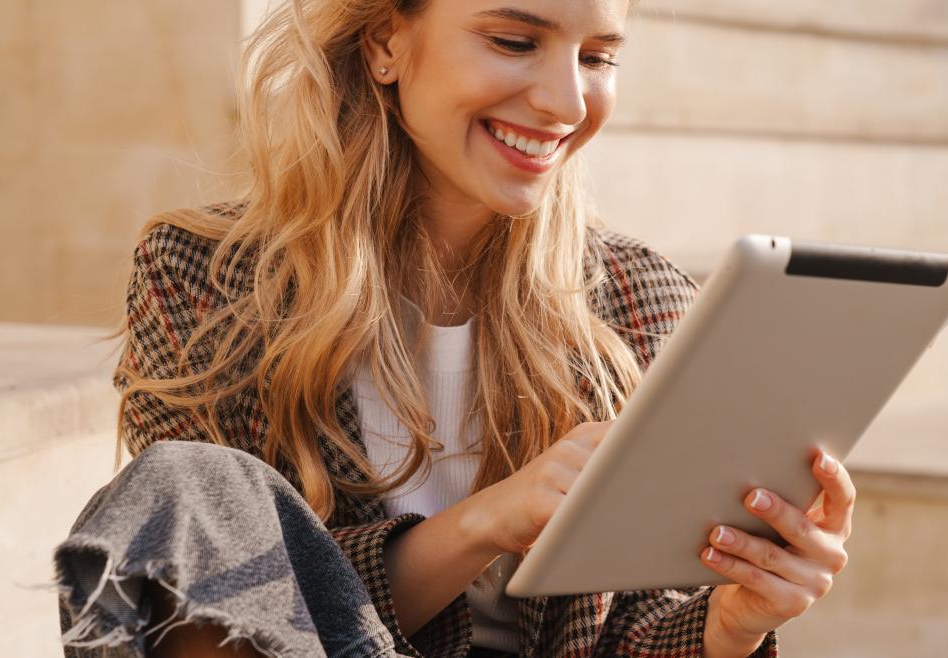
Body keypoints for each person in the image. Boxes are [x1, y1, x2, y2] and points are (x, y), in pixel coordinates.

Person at [54, 1, 855, 656]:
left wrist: (728, 627)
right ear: (385, 44)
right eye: (515, 41)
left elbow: (628, 639)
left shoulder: (640, 303)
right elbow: (217, 603)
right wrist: (485, 523)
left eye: (598, 58)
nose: (568, 104)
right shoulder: (203, 278)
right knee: (189, 486)